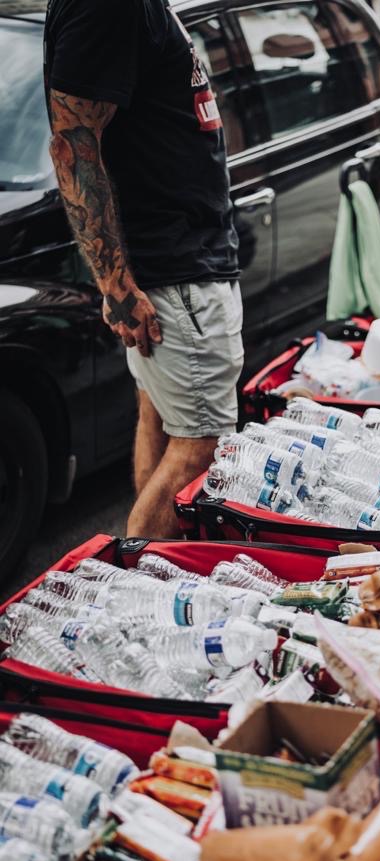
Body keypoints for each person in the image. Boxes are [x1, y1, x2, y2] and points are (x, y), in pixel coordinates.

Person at [44, 0, 242, 537]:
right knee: (200, 446)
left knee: (160, 418)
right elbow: (73, 148)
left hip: (175, 264)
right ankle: (133, 595)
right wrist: (116, 285)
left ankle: (144, 572)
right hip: (174, 270)